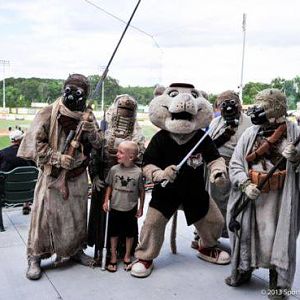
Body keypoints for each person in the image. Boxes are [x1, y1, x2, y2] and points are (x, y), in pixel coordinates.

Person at [17, 73, 103, 280]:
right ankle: (35, 257)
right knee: (43, 219)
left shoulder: (88, 116)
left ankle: (74, 251)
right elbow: (35, 145)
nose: (72, 95)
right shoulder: (47, 113)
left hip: (78, 176)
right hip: (52, 176)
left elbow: (99, 145)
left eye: (78, 91)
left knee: (76, 217)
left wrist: (92, 132)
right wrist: (57, 158)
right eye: (69, 89)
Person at [225, 89, 300, 299]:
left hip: (279, 197)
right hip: (252, 194)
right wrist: (245, 184)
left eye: (263, 105)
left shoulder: (293, 133)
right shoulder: (251, 133)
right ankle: (243, 269)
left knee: (276, 238)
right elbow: (236, 163)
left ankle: (277, 281)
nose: (257, 109)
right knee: (246, 232)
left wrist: (295, 158)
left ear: (275, 108)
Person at [87, 94, 145, 261]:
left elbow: (139, 162)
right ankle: (100, 251)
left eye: (128, 110)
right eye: (122, 109)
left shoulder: (137, 136)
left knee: (125, 220)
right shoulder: (105, 131)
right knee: (101, 220)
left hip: (125, 188)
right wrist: (95, 176)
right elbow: (95, 155)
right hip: (105, 181)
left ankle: (122, 252)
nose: (125, 113)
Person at [191, 91, 252, 246]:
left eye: (232, 102)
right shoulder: (215, 122)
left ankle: (233, 237)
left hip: (238, 172)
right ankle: (206, 235)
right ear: (218, 107)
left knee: (235, 207)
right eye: (224, 103)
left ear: (239, 104)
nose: (229, 106)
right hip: (215, 172)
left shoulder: (251, 124)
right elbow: (208, 144)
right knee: (211, 205)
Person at [102, 141, 145, 272]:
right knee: (113, 233)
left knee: (129, 234)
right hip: (115, 207)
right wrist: (106, 201)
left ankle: (127, 256)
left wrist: (141, 207)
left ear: (131, 157)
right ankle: (113, 256)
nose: (117, 154)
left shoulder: (138, 172)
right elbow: (109, 186)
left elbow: (142, 191)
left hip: (130, 208)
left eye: (121, 152)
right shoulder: (114, 170)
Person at [0, 129, 36, 214]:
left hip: (6, 195)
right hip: (28, 194)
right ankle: (26, 205)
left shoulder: (2, 153)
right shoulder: (30, 154)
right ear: (20, 140)